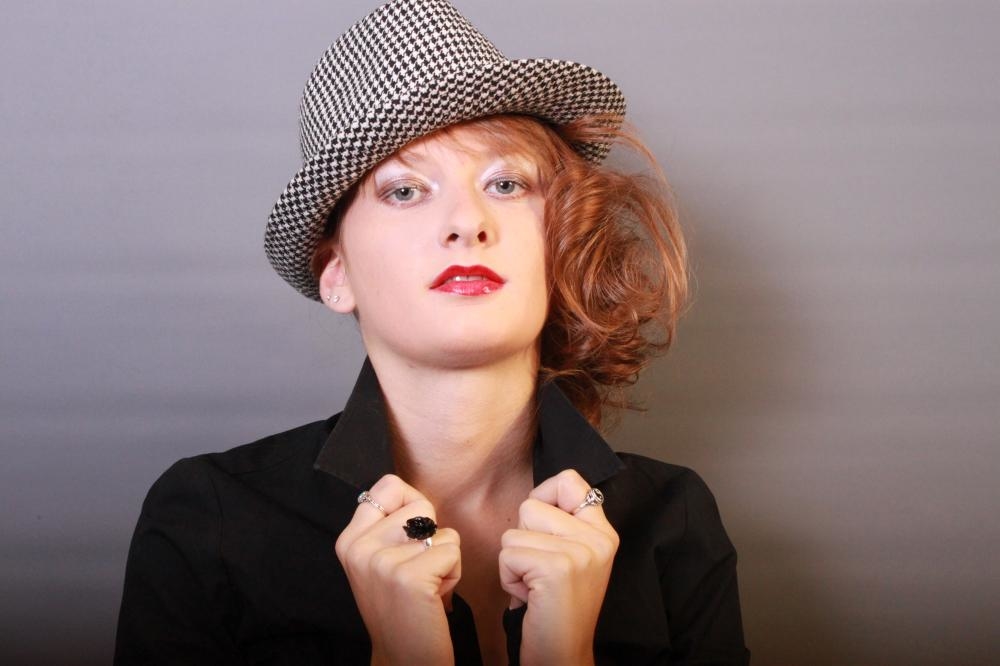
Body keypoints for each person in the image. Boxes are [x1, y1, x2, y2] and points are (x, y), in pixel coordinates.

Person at [114, 0, 750, 664]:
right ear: (336, 274)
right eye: (406, 191)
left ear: (562, 242)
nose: (467, 222)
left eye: (506, 183)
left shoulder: (673, 522)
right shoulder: (211, 520)